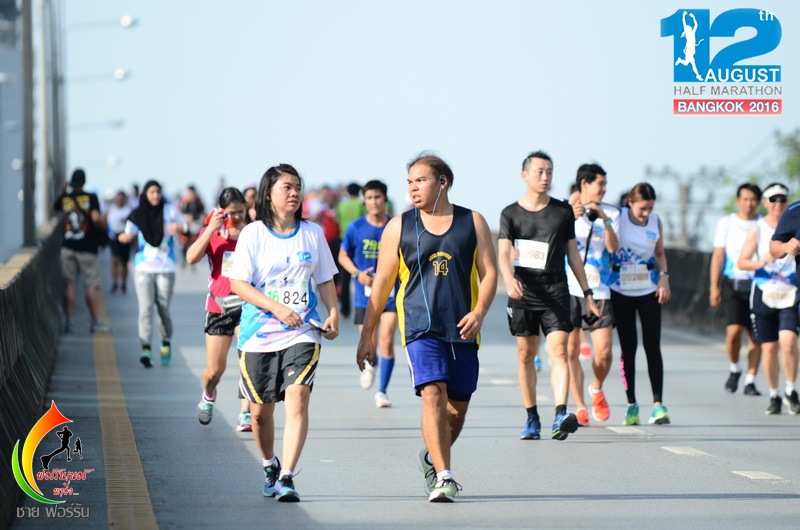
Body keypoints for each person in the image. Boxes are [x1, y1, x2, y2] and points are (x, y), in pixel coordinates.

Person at [357, 153, 497, 502]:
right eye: (409, 182)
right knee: (433, 393)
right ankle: (444, 476)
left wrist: (480, 312)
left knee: (457, 410)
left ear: (442, 182)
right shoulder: (399, 226)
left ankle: (432, 458)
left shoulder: (472, 222)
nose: (413, 188)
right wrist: (367, 334)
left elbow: (490, 273)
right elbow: (383, 283)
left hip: (463, 328)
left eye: (420, 180)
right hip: (419, 327)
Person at [229, 164, 340, 503]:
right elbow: (238, 284)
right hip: (259, 334)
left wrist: (333, 312)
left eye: (297, 187)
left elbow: (324, 279)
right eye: (286, 187)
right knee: (260, 413)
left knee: (298, 396)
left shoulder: (313, 233)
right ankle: (269, 465)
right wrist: (276, 308)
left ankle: (287, 476)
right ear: (268, 194)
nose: (294, 193)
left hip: (302, 331)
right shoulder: (253, 234)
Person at [498, 151, 599, 443]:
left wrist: (587, 293)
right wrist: (509, 279)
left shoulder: (563, 211)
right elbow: (503, 253)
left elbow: (573, 254)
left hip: (556, 291)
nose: (545, 177)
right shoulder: (510, 214)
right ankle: (532, 417)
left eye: (550, 172)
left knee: (559, 351)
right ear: (524, 175)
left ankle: (560, 415)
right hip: (524, 292)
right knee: (525, 355)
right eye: (539, 171)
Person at [186, 187, 253, 432]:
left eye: (240, 211)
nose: (236, 217)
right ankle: (208, 394)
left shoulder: (253, 233)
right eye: (231, 213)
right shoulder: (213, 232)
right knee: (215, 370)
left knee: (249, 362)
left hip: (248, 306)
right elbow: (191, 258)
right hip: (219, 307)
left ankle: (245, 413)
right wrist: (210, 229)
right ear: (221, 211)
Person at [609, 183, 671, 425]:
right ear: (630, 203)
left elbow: (660, 253)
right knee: (629, 348)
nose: (646, 213)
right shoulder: (619, 217)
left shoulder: (655, 221)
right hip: (620, 289)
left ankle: (658, 405)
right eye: (642, 208)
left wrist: (664, 277)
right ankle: (631, 404)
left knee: (652, 345)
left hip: (648, 288)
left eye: (650, 208)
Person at [565, 164, 620, 426]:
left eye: (605, 184)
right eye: (601, 183)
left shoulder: (612, 212)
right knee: (571, 351)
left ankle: (596, 387)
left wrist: (604, 219)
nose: (605, 188)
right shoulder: (566, 209)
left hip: (600, 291)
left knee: (605, 353)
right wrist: (570, 214)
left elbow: (613, 247)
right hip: (569, 288)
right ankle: (579, 405)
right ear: (585, 183)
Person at [339, 180, 398, 407]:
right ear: (364, 201)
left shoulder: (395, 226)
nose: (374, 202)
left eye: (378, 197)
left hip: (391, 295)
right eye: (370, 198)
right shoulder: (355, 228)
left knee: (387, 340)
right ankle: (371, 364)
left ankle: (382, 391)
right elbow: (343, 256)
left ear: (385, 199)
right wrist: (357, 274)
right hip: (364, 297)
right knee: (370, 342)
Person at [119, 180, 186, 368]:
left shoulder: (170, 211)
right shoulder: (137, 214)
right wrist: (124, 238)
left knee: (163, 309)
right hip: (143, 269)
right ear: (145, 195)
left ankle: (165, 341)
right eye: (152, 192)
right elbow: (124, 234)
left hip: (166, 268)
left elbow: (186, 228)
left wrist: (178, 228)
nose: (155, 195)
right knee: (145, 309)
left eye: (158, 192)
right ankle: (146, 349)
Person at [746, 183, 800, 415]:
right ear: (765, 203)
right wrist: (766, 259)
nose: (778, 204)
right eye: (773, 200)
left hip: (790, 292)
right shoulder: (759, 227)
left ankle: (790, 390)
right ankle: (774, 394)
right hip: (765, 291)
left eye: (782, 200)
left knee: (788, 341)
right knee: (769, 348)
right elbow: (743, 260)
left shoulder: (790, 214)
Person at [710, 183, 763, 395]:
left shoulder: (763, 224)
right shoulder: (727, 223)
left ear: (759, 202)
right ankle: (735, 368)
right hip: (733, 283)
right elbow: (718, 255)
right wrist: (714, 287)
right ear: (738, 201)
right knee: (733, 332)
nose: (749, 204)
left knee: (756, 336)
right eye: (745, 199)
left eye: (753, 200)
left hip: (758, 284)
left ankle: (750, 379)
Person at [52, 168, 112, 334]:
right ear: (84, 181)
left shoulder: (65, 198)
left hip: (67, 247)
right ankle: (95, 322)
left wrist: (63, 191)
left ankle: (69, 322)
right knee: (91, 284)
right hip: (87, 248)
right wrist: (104, 223)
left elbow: (53, 207)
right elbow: (95, 219)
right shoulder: (91, 197)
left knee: (69, 284)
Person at [335, 183, 367, 318]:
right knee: (362, 274)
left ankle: (345, 309)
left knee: (344, 278)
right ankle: (364, 305)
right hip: (359, 243)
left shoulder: (341, 205)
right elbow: (366, 221)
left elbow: (336, 220)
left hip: (343, 242)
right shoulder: (361, 205)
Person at [105, 190, 133, 294]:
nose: (120, 200)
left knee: (124, 262)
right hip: (113, 237)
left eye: (122, 198)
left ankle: (124, 284)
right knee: (114, 260)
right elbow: (104, 221)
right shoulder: (110, 209)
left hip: (125, 236)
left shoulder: (128, 210)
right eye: (118, 198)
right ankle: (115, 283)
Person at [180, 185, 207, 267]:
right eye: (189, 193)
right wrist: (185, 217)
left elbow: (203, 213)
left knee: (194, 242)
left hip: (196, 225)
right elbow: (180, 214)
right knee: (185, 242)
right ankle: (184, 259)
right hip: (186, 225)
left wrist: (201, 218)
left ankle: (193, 259)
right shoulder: (184, 202)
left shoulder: (199, 203)